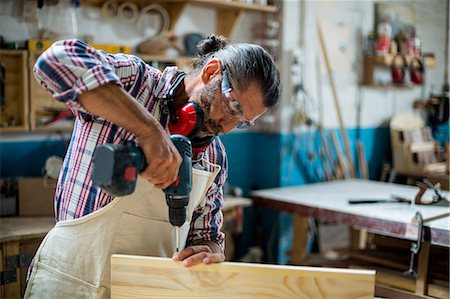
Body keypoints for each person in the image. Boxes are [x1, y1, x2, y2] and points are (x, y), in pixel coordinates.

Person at [24, 34, 281, 298]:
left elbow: (207, 234)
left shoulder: (214, 156)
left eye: (242, 121)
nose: (227, 127)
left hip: (146, 290)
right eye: (233, 106)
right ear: (212, 71)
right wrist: (148, 130)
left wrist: (210, 250)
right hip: (70, 279)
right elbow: (55, 60)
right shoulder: (136, 83)